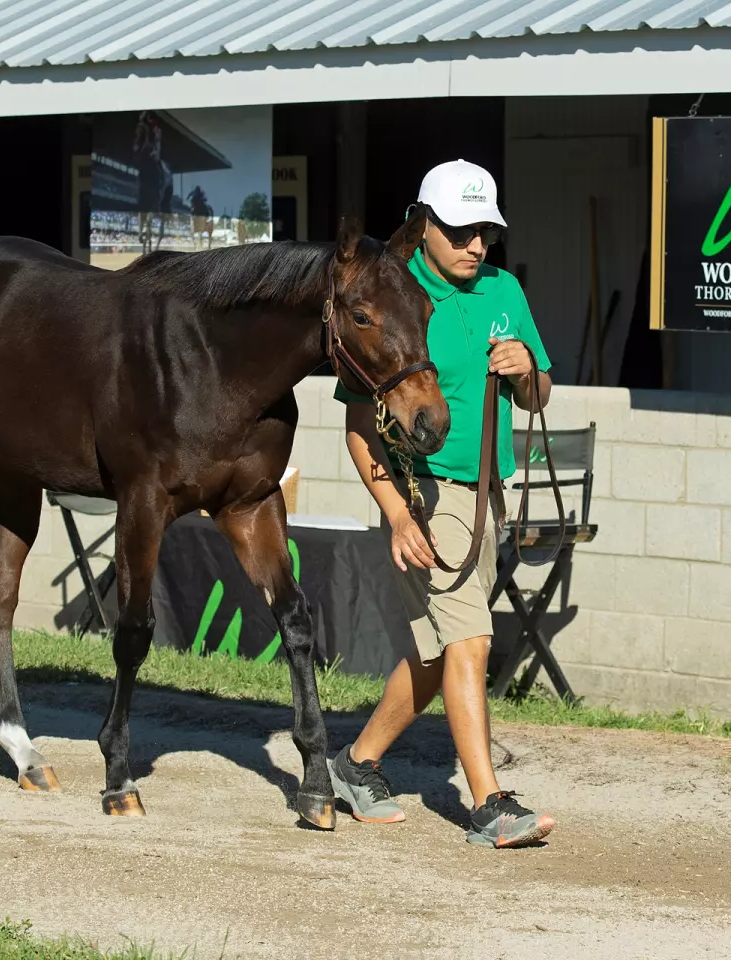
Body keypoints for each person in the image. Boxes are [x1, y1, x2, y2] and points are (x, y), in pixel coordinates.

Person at [328, 159, 555, 849]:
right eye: (458, 230)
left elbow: (542, 394)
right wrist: (396, 513)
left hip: (486, 497)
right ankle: (489, 806)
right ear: (422, 224)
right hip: (424, 496)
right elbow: (358, 426)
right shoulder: (390, 295)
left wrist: (526, 373)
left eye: (484, 230)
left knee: (434, 657)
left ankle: (356, 764)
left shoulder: (504, 289)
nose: (474, 245)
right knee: (471, 641)